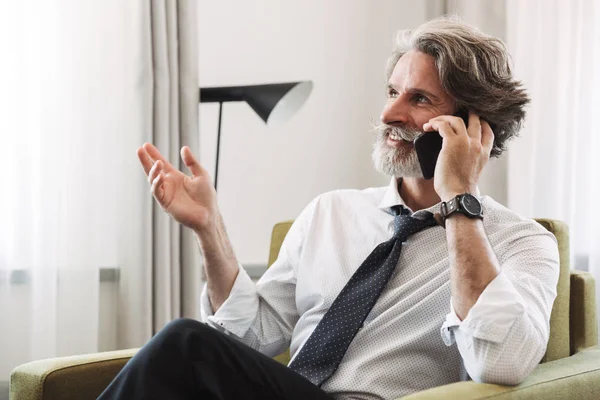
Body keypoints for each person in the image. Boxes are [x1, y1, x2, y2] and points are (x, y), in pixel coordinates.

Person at [98, 17, 559, 400]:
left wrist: (460, 200)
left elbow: (499, 362)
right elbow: (250, 337)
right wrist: (209, 229)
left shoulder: (522, 242)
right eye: (392, 91)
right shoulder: (330, 212)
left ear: (475, 126)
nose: (388, 115)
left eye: (418, 99)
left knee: (185, 343)